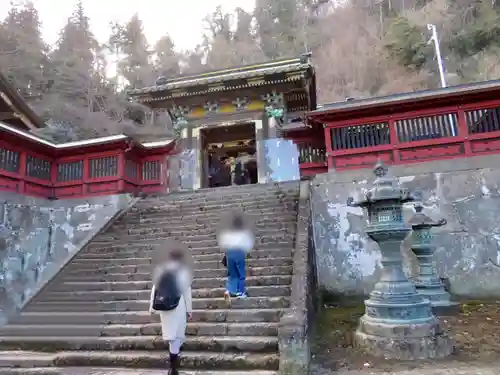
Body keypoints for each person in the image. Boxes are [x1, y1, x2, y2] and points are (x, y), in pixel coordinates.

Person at [149, 242, 193, 375]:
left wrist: (152, 307)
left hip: (165, 306)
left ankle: (172, 367)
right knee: (177, 336)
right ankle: (173, 368)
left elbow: (154, 289)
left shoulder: (161, 270)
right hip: (178, 306)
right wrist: (189, 310)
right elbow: (187, 292)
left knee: (171, 336)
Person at [218, 212, 255, 300]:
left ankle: (229, 291)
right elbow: (247, 245)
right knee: (241, 274)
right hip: (239, 252)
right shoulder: (244, 232)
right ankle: (240, 292)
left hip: (229, 253)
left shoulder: (228, 232)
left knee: (233, 275)